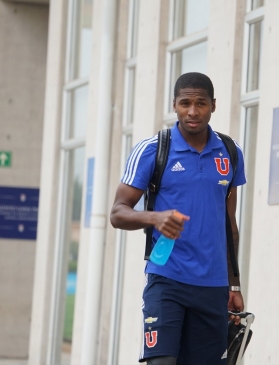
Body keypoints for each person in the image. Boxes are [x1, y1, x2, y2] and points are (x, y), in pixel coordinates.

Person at [110, 72, 246, 365]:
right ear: (174, 105)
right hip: (167, 279)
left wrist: (234, 285)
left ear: (213, 105)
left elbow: (229, 225)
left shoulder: (231, 153)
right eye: (185, 103)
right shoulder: (152, 150)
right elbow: (118, 212)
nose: (193, 112)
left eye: (201, 104)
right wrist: (155, 217)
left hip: (213, 286)